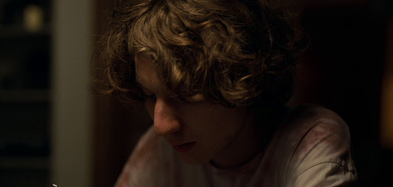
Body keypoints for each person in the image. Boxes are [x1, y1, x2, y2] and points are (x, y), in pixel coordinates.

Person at [94, 0, 357, 186]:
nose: (161, 125)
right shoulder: (161, 151)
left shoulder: (308, 141)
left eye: (185, 94)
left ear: (245, 78)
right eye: (149, 95)